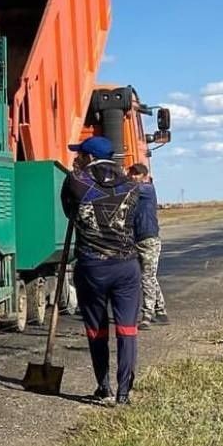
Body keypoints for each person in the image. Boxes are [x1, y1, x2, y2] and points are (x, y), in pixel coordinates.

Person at [61, 135, 144, 406]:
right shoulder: (133, 187)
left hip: (92, 266)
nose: (77, 158)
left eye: (80, 154)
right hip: (126, 266)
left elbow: (68, 212)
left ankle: (103, 386)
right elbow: (137, 224)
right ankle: (123, 393)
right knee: (127, 329)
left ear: (90, 157)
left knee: (97, 329)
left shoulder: (75, 181)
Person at [128, 162, 169, 328]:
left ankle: (147, 314)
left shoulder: (147, 189)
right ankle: (161, 311)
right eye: (131, 173)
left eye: (135, 174)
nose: (132, 176)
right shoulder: (135, 193)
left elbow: (130, 189)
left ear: (144, 176)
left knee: (147, 277)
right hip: (137, 239)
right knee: (148, 276)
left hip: (149, 240)